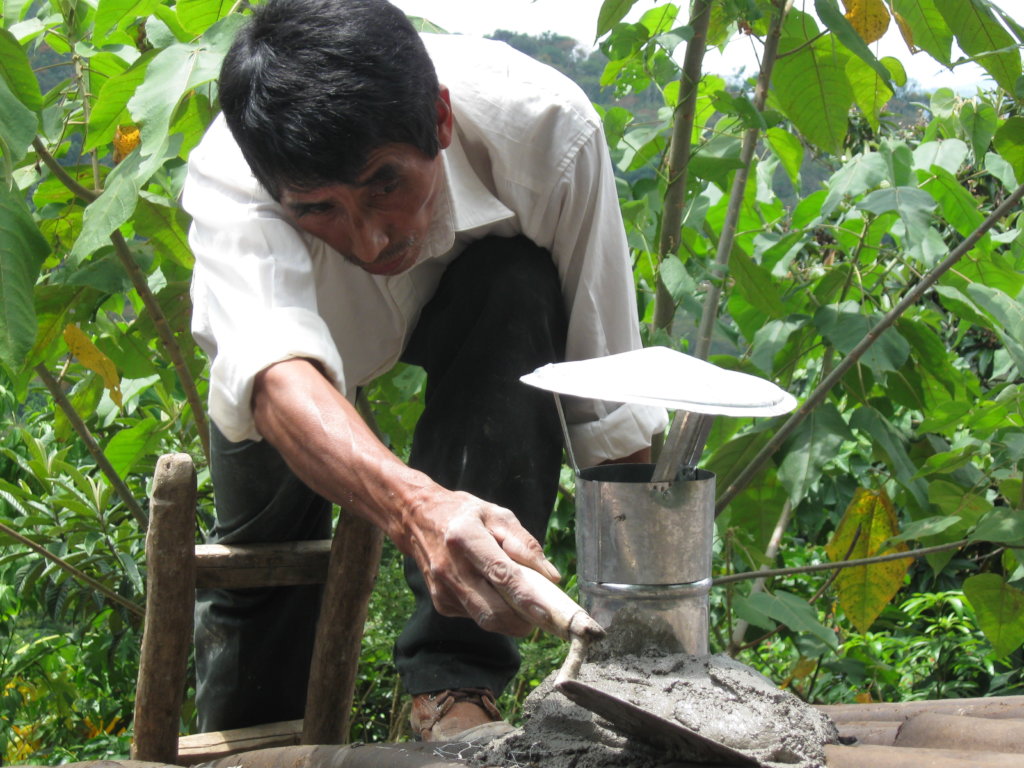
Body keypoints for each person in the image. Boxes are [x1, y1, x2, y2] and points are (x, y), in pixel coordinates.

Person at [182, 0, 665, 742]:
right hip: (298, 375)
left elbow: (612, 406)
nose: (370, 237)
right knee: (265, 564)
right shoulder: (234, 172)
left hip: (464, 299)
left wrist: (646, 629)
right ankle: (251, 746)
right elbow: (276, 377)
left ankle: (454, 685)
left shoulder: (548, 136)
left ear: (439, 120)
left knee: (518, 283)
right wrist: (417, 510)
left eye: (385, 184)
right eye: (320, 210)